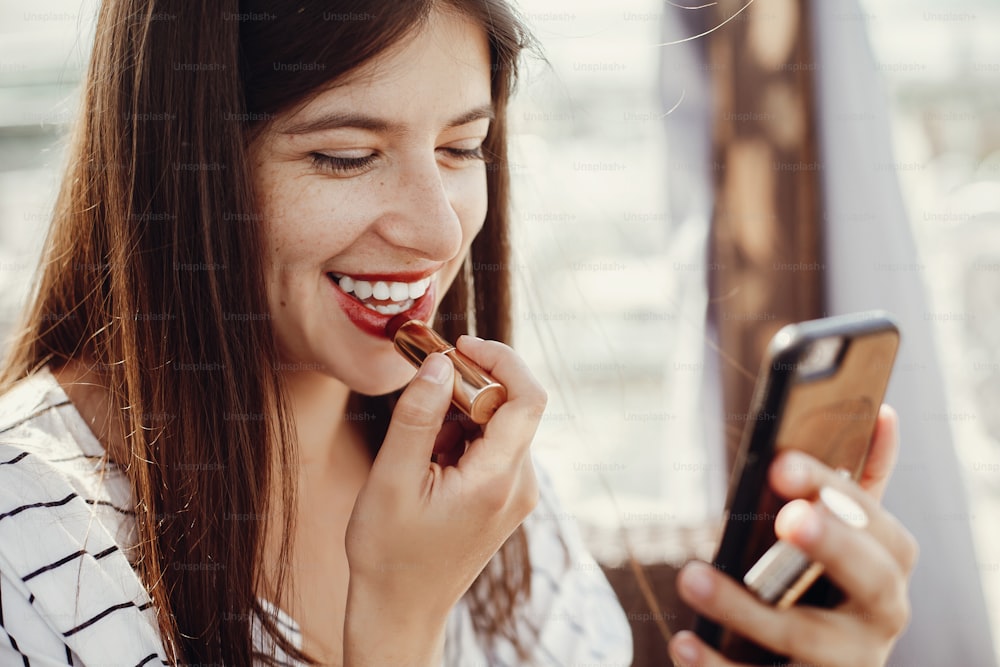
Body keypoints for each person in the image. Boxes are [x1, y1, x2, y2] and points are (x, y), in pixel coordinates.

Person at [0, 1, 915, 665]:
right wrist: (397, 628)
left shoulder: (489, 484)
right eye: (345, 156)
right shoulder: (29, 543)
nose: (440, 233)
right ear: (182, 162)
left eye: (461, 148)